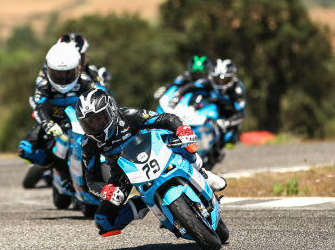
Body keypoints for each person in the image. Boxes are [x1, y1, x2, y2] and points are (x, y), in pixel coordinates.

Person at [75, 88, 227, 236]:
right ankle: (145, 202)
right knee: (103, 221)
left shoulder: (128, 115)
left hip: (155, 146)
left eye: (99, 118)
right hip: (123, 170)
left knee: (182, 142)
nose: (95, 125)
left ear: (111, 111)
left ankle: (202, 172)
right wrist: (105, 190)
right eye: (89, 122)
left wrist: (182, 129)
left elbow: (166, 119)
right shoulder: (88, 143)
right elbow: (92, 178)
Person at [18, 42, 97, 176]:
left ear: (78, 69)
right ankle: (56, 170)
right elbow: (37, 107)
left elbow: (100, 98)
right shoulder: (43, 86)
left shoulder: (86, 82)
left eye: (68, 73)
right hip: (53, 123)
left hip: (80, 123)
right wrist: (48, 124)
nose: (63, 78)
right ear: (48, 70)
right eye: (58, 74)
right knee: (25, 150)